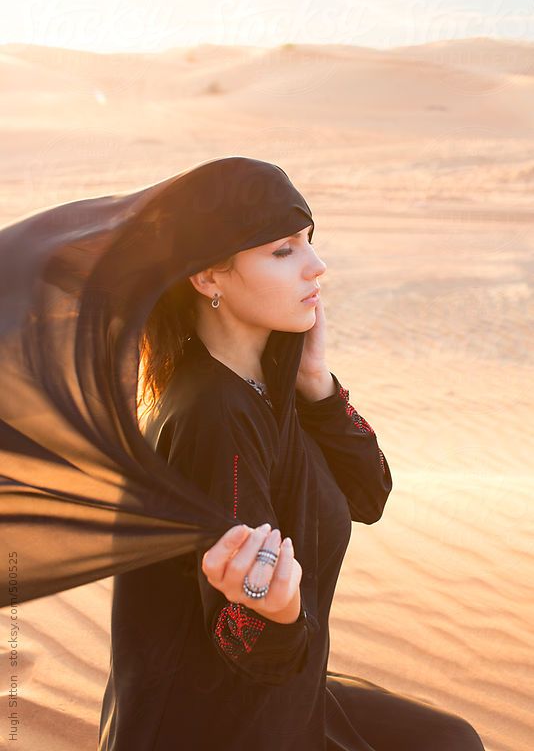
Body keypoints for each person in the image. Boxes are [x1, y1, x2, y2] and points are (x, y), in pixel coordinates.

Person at [98, 165, 486, 749]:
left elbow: (368, 495)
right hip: (217, 725)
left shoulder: (271, 380)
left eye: (309, 241)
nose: (315, 266)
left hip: (283, 700)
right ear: (207, 276)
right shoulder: (213, 414)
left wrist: (317, 383)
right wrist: (273, 609)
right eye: (283, 251)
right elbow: (246, 644)